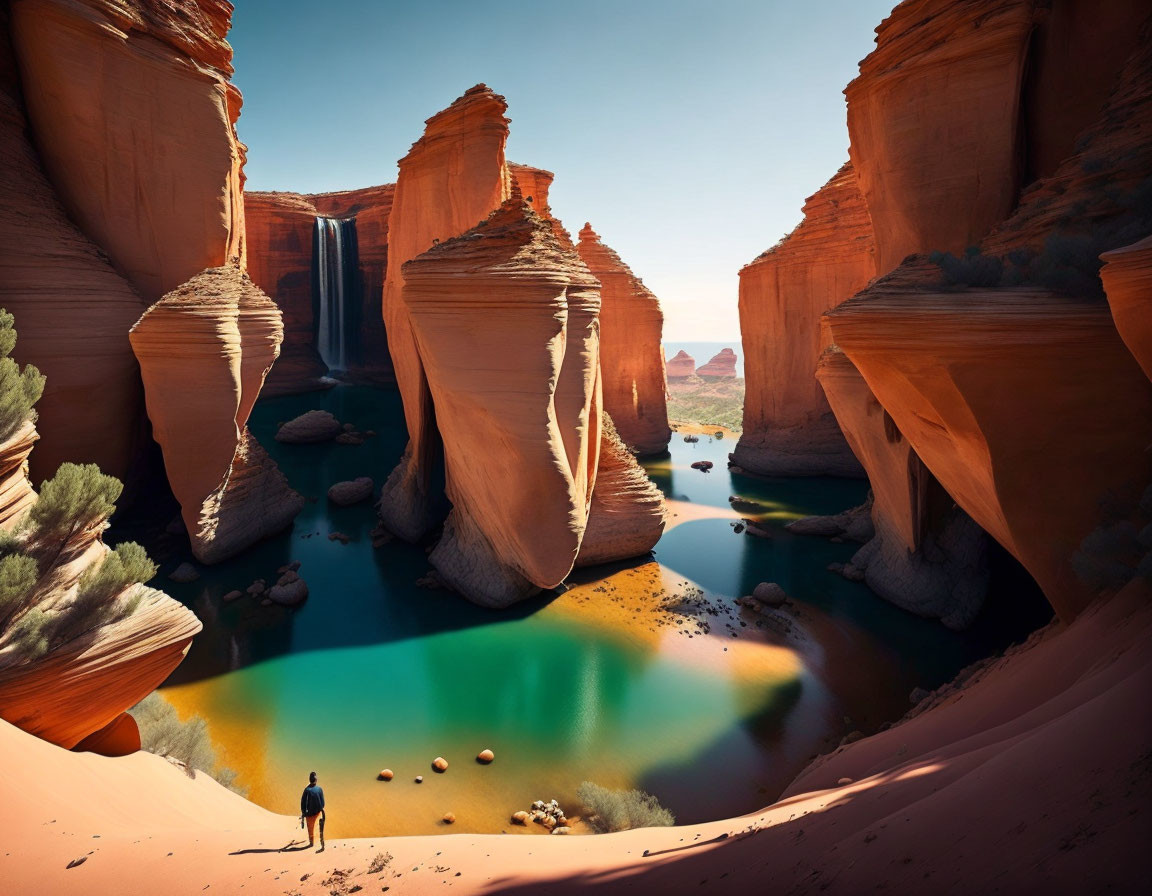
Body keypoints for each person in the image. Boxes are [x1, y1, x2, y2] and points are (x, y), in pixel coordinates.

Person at [299, 771, 326, 848]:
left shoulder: (306, 790)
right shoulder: (319, 789)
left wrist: (303, 813)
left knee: (310, 830)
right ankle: (321, 839)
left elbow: (303, 803)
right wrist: (320, 809)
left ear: (309, 780)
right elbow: (323, 803)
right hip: (318, 813)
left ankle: (311, 843)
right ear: (316, 780)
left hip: (309, 814)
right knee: (318, 828)